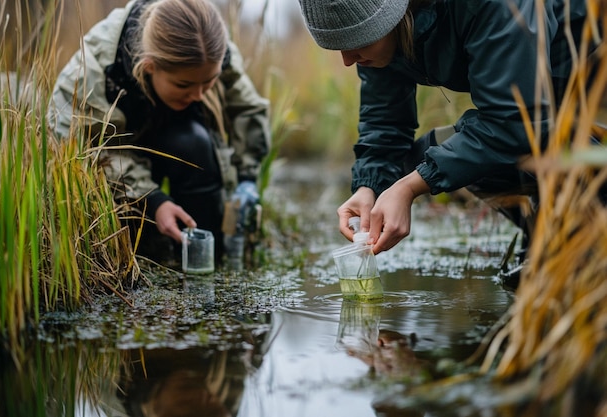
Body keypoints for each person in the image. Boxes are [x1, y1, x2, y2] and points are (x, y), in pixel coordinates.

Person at [297, 0, 600, 271]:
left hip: (593, 71)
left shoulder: (493, 6)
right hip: (542, 95)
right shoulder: (379, 34)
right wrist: (369, 187)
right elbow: (384, 123)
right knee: (443, 155)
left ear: (391, 16)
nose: (347, 60)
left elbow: (512, 125)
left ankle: (587, 244)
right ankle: (555, 246)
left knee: (461, 153)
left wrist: (410, 187)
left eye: (356, 42)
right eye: (338, 46)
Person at [49, 0, 270, 265]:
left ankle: (211, 258)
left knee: (193, 144)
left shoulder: (213, 50)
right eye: (184, 84)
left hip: (180, 137)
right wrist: (154, 200)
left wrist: (247, 178)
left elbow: (248, 110)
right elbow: (90, 153)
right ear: (150, 66)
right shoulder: (91, 73)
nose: (199, 95)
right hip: (121, 149)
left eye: (208, 82)